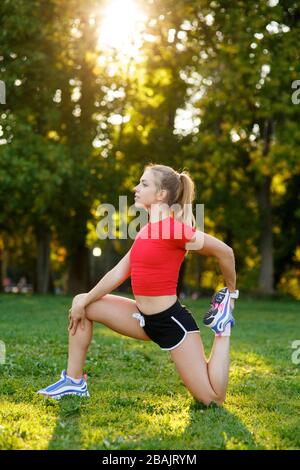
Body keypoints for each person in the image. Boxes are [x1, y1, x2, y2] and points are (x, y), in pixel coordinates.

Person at [37, 164, 239, 406]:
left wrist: (231, 292)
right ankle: (74, 381)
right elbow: (117, 273)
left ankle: (222, 328)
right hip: (140, 318)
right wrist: (85, 299)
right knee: (83, 304)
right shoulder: (146, 231)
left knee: (212, 400)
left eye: (143, 184)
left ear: (161, 194)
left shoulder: (173, 230)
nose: (136, 188)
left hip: (172, 324)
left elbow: (225, 252)